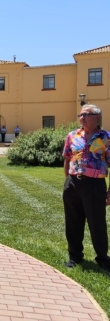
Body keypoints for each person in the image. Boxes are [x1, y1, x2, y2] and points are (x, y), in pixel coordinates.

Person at [62, 104, 110, 271]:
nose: (81, 118)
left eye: (85, 115)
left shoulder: (106, 138)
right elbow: (67, 159)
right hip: (73, 183)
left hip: (95, 184)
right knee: (73, 221)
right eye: (80, 115)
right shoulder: (72, 135)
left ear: (97, 117)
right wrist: (68, 182)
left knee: (97, 222)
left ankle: (103, 258)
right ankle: (75, 256)